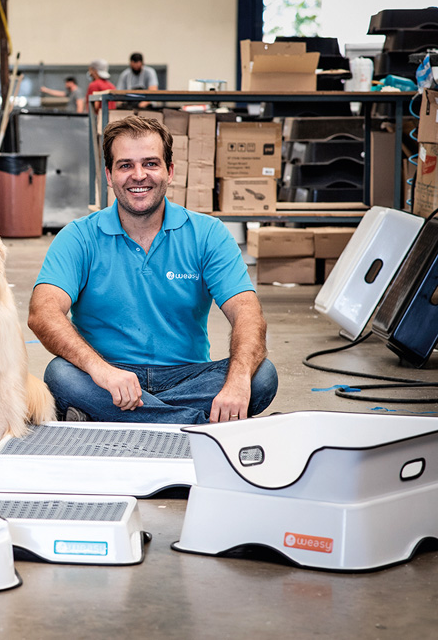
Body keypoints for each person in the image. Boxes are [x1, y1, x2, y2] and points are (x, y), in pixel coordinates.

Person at [28, 116, 278, 425]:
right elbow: (43, 313)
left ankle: (117, 418)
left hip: (188, 376)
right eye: (125, 166)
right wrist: (102, 371)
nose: (138, 176)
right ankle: (196, 424)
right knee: (61, 375)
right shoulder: (79, 236)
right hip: (109, 376)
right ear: (109, 175)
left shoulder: (207, 233)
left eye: (150, 163)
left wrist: (238, 381)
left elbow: (248, 313)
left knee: (261, 376)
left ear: (169, 171)